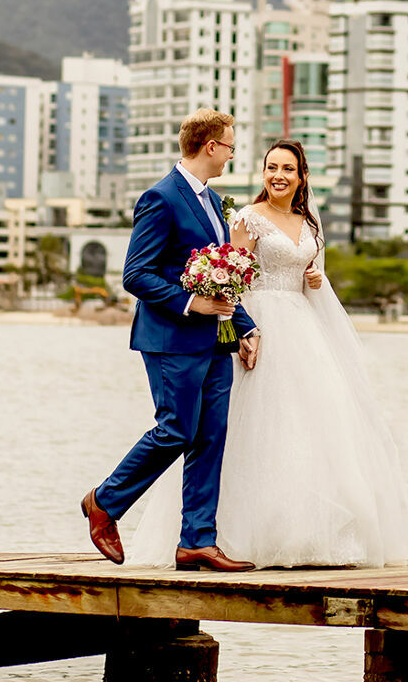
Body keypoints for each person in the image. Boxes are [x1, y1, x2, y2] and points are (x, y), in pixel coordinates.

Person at [129, 139, 408, 568]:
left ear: (302, 177)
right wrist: (244, 330)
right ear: (263, 173)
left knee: (316, 424)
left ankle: (314, 534)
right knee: (252, 426)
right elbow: (230, 278)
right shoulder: (247, 218)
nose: (278, 175)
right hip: (260, 322)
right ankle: (232, 535)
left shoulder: (309, 223)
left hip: (303, 327)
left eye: (288, 168)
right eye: (271, 167)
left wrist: (315, 279)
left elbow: (306, 271)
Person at [82, 108, 259, 572]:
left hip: (215, 341)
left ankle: (197, 541)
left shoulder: (212, 201)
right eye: (231, 145)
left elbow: (221, 275)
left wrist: (244, 326)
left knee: (210, 437)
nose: (233, 153)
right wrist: (190, 304)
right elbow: (135, 273)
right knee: (176, 429)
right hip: (171, 339)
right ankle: (104, 502)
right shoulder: (160, 197)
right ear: (210, 146)